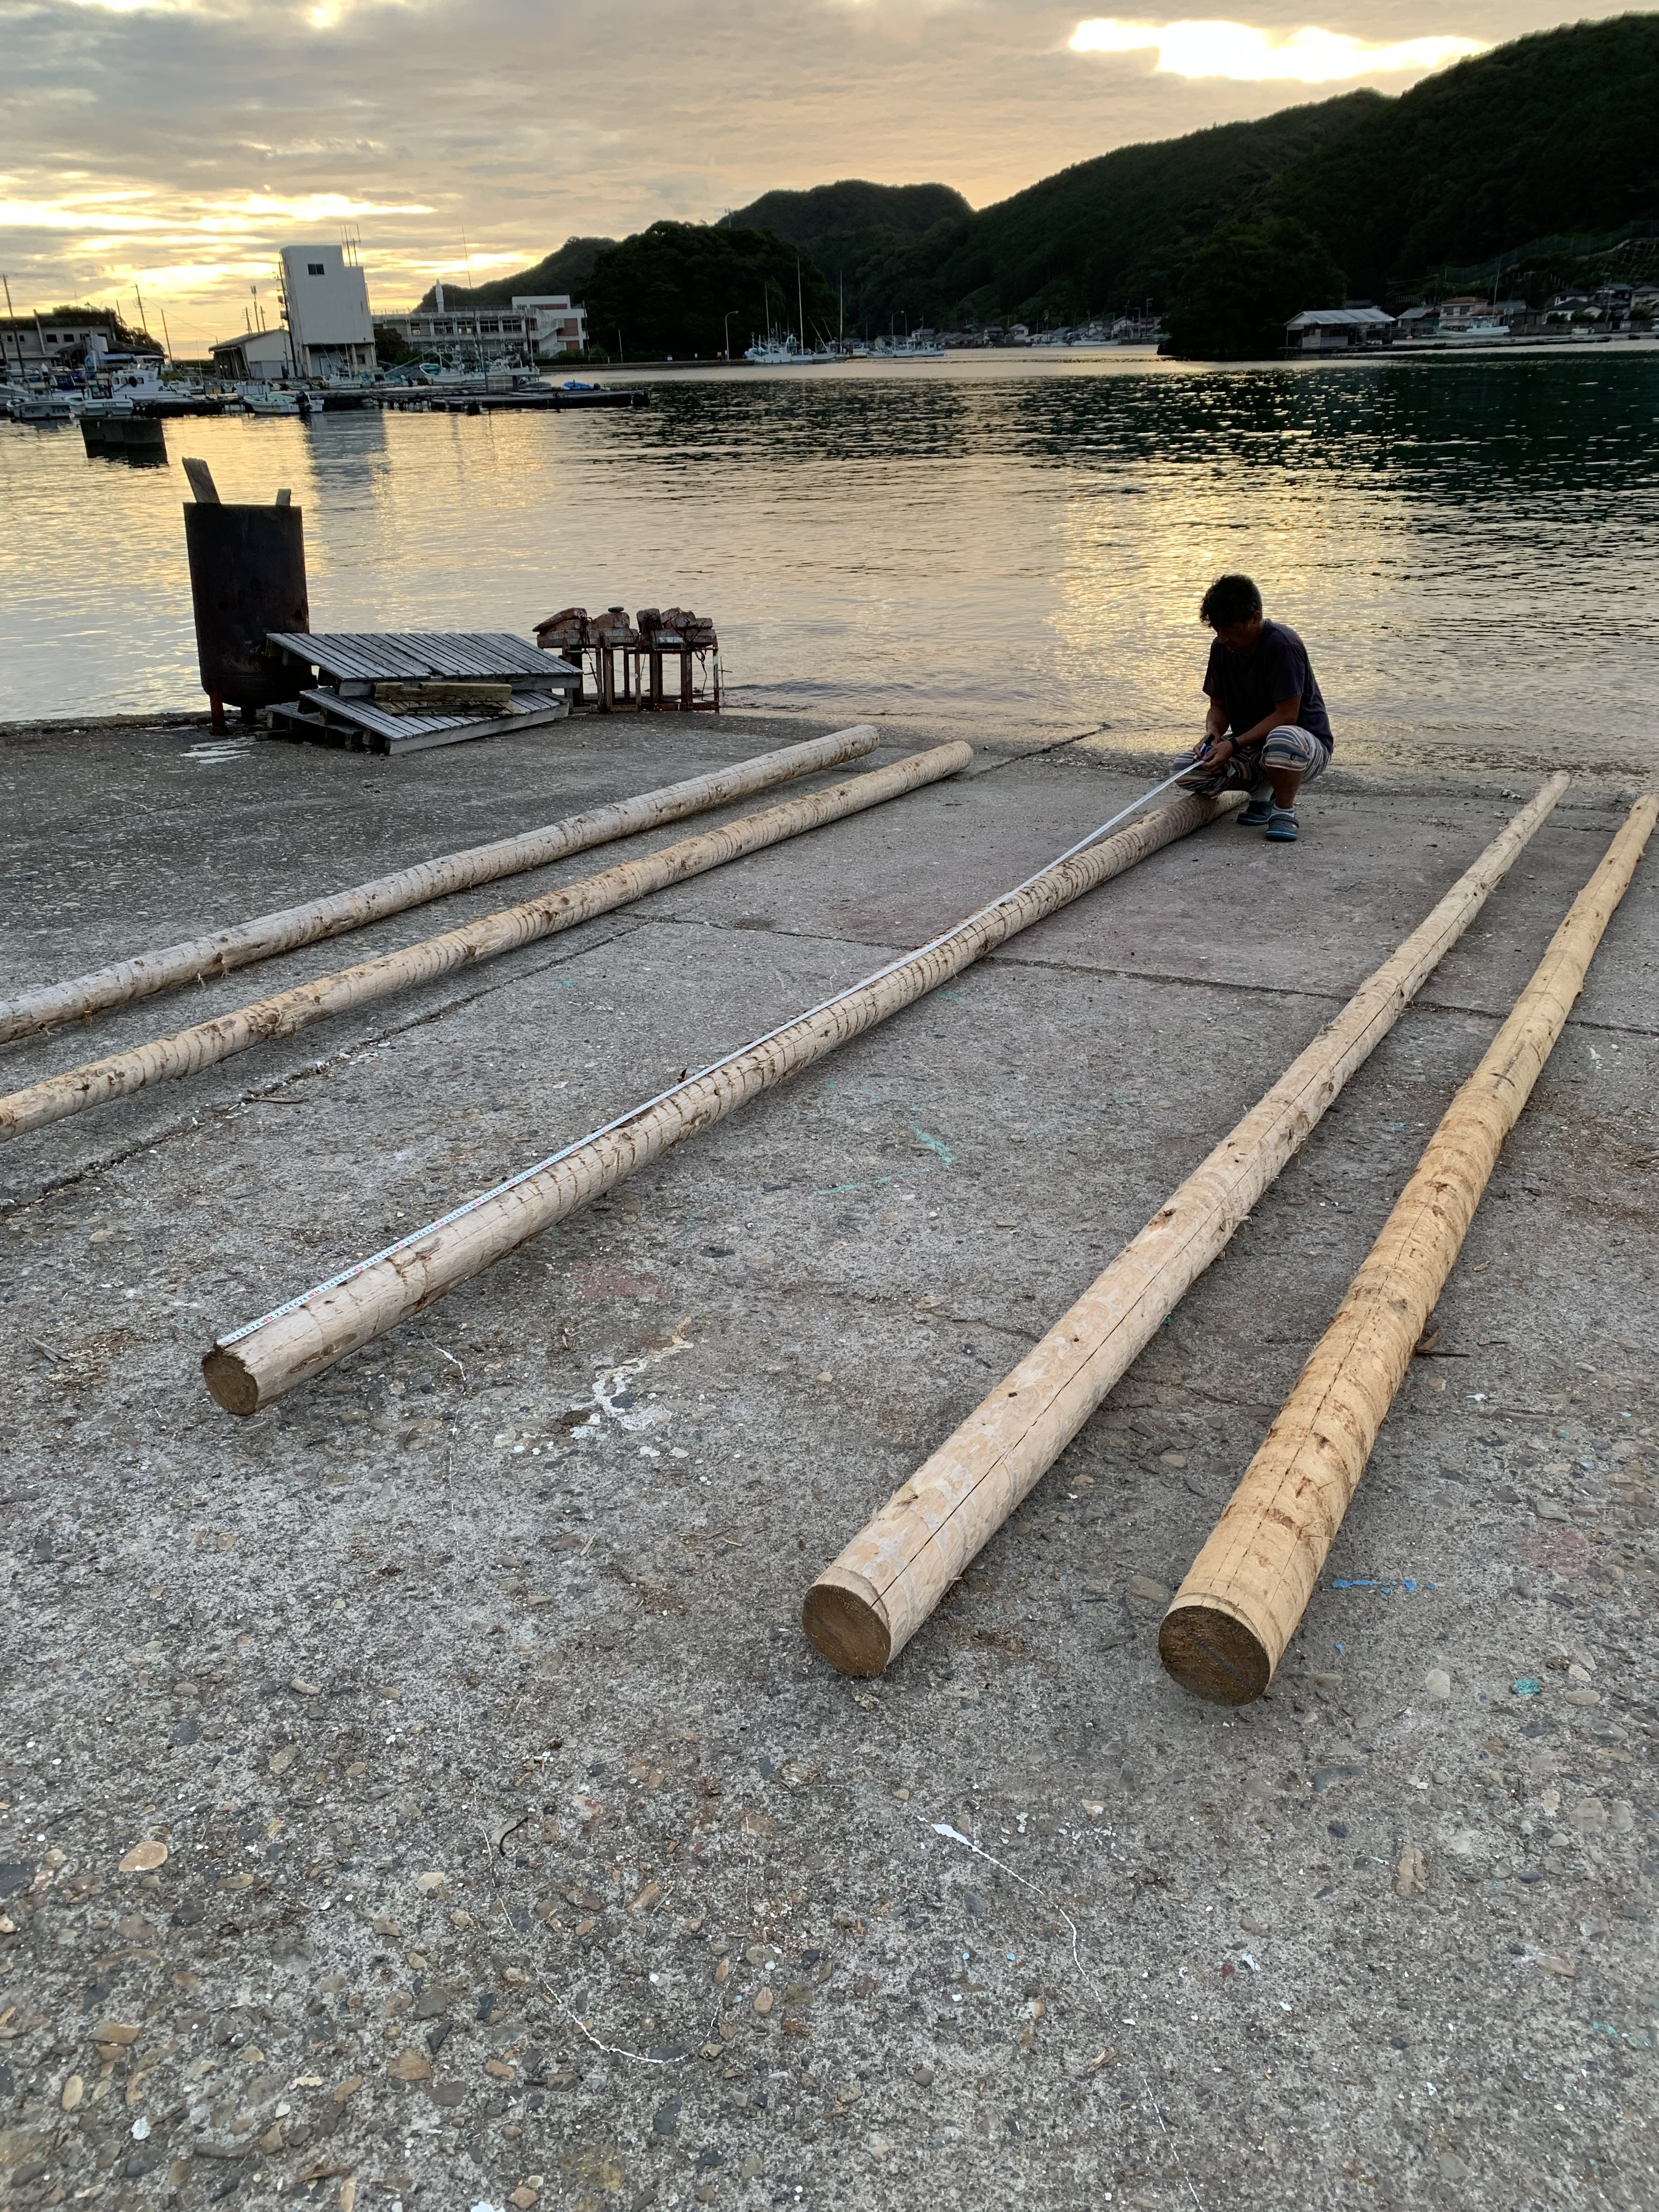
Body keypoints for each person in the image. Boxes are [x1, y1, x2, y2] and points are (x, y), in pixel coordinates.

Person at [1174, 574, 1333, 843]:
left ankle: (1284, 810)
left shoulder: (1282, 644)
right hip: (1252, 748)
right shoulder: (1221, 649)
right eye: (1218, 631)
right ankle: (1261, 791)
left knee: (1283, 738)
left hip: (1303, 746)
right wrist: (1213, 734)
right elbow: (1218, 706)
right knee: (1186, 769)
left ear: (1255, 618)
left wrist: (1233, 745)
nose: (1224, 639)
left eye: (1230, 630)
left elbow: (1287, 716)